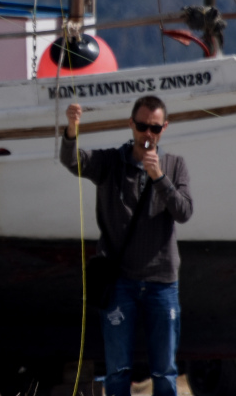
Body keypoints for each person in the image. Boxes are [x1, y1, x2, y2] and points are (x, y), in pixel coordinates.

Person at [62, 96, 193, 396]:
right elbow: (72, 161)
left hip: (162, 284)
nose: (148, 134)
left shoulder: (174, 165)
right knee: (118, 371)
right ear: (131, 124)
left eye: (155, 128)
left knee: (164, 372)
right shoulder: (111, 162)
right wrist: (72, 129)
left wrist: (159, 177)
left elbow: (184, 212)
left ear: (164, 128)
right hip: (120, 282)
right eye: (143, 126)